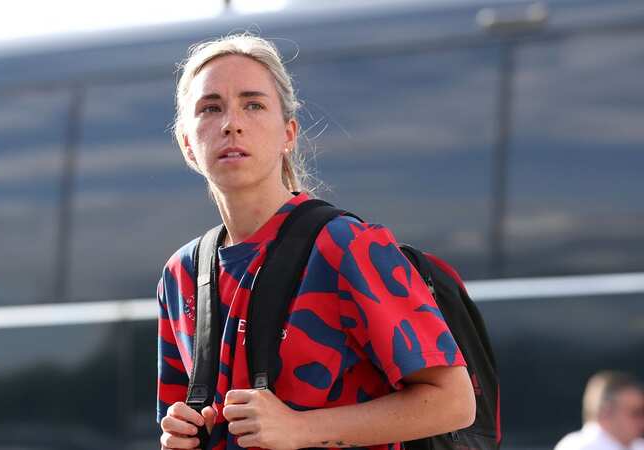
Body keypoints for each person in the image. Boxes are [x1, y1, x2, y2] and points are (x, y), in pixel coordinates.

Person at [156, 33, 476, 450]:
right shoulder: (180, 274)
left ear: (288, 134)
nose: (231, 122)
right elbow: (175, 415)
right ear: (187, 145)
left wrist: (300, 428)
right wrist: (180, 436)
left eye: (253, 104)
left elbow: (453, 402)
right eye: (210, 108)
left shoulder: (346, 246)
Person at [555, 371, 644, 450]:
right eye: (636, 413)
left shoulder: (639, 445)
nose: (642, 420)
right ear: (606, 413)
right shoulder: (577, 446)